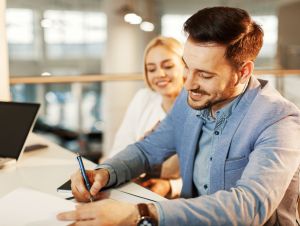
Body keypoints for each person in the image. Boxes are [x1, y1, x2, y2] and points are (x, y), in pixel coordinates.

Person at [57, 6, 300, 226]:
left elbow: (249, 206)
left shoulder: (279, 121)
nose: (188, 84)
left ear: (243, 71)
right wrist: (106, 171)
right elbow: (147, 150)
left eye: (205, 75)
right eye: (186, 66)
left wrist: (141, 213)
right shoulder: (191, 100)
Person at [108, 36, 184, 197]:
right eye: (151, 69)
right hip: (133, 187)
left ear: (185, 66)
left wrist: (171, 186)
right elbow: (120, 148)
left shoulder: (198, 107)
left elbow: (205, 174)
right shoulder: (143, 98)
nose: (160, 74)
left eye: (168, 66)